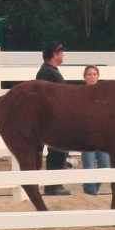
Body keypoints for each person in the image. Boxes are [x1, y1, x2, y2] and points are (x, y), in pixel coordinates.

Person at [36, 41, 71, 196]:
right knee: (57, 151)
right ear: (55, 55)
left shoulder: (49, 71)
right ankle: (53, 184)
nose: (63, 55)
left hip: (54, 118)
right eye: (61, 53)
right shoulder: (48, 73)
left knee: (58, 151)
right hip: (53, 119)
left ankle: (53, 184)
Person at [80, 65, 111, 196]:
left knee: (105, 165)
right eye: (89, 74)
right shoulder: (80, 94)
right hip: (87, 134)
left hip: (102, 134)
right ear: (85, 77)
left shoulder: (104, 95)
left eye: (94, 74)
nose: (92, 77)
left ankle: (92, 188)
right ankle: (90, 192)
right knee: (89, 164)